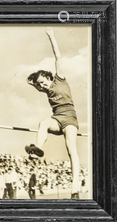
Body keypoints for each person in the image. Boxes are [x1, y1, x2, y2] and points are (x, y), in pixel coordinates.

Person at [25, 27, 81, 199]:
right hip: (57, 119)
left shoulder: (59, 78)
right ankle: (38, 150)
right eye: (39, 85)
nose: (41, 86)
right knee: (43, 123)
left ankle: (75, 188)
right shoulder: (45, 90)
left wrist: (51, 36)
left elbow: (58, 56)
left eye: (42, 82)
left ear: (48, 77)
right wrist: (33, 79)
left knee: (71, 149)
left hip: (70, 118)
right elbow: (29, 82)